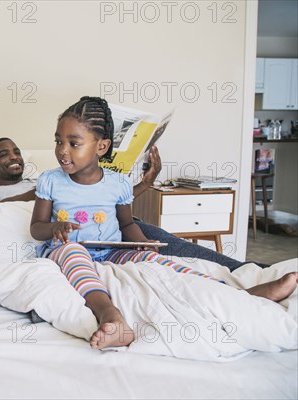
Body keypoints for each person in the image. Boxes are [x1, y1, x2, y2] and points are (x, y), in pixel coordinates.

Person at [29, 96, 298, 349]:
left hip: (110, 251)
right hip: (68, 251)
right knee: (74, 252)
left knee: (161, 263)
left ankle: (241, 293)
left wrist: (144, 244)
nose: (62, 151)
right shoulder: (50, 181)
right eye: (58, 141)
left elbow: (126, 224)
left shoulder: (118, 183)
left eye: (73, 143)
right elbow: (36, 228)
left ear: (102, 146)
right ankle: (110, 316)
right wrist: (54, 228)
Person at [0, 137, 266, 271]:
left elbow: (105, 201)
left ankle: (241, 270)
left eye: (16, 151)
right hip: (67, 239)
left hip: (107, 226)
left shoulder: (49, 179)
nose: (14, 157)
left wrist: (144, 184)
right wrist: (41, 191)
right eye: (3, 154)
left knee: (157, 241)